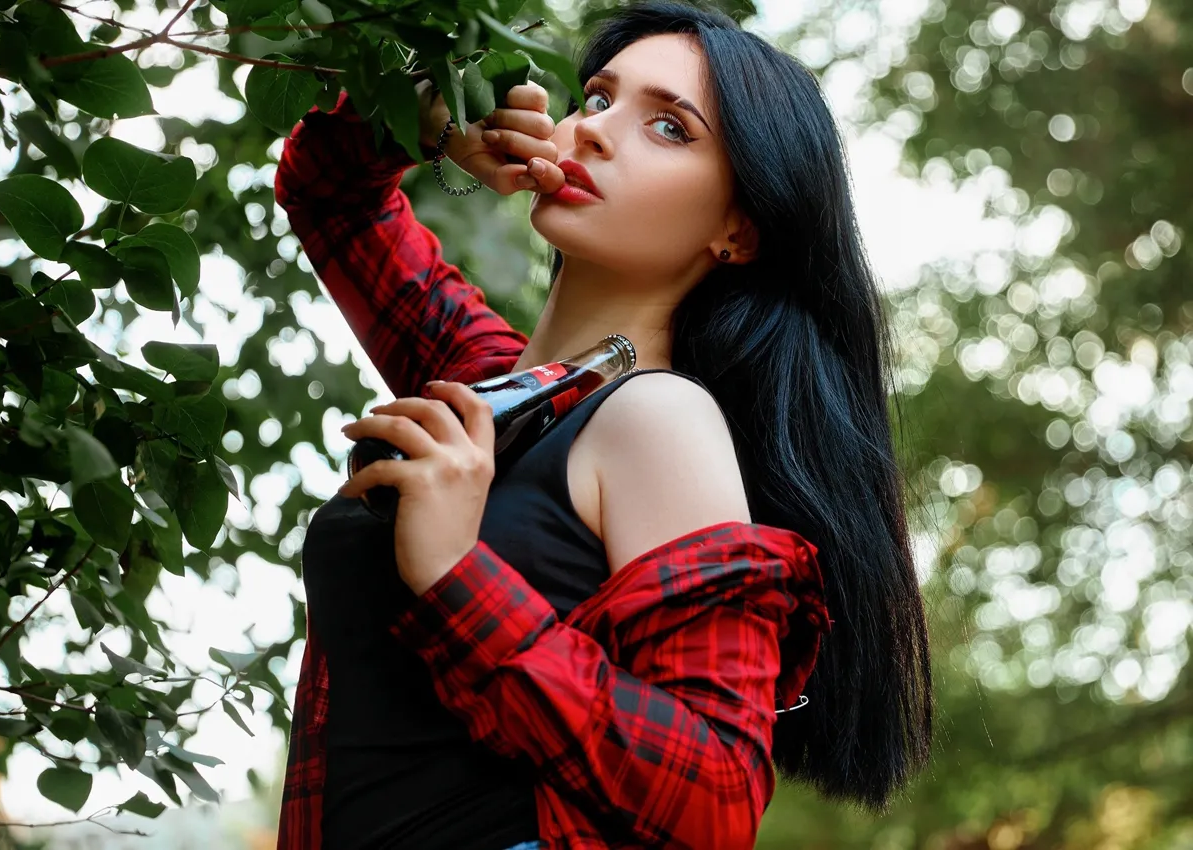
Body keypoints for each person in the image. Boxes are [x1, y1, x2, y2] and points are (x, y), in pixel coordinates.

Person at [272, 1, 933, 847]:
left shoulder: (661, 417)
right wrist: (437, 125)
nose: (592, 132)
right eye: (596, 98)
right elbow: (329, 193)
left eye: (667, 126)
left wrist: (455, 575)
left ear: (738, 228)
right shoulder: (482, 386)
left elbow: (716, 798)